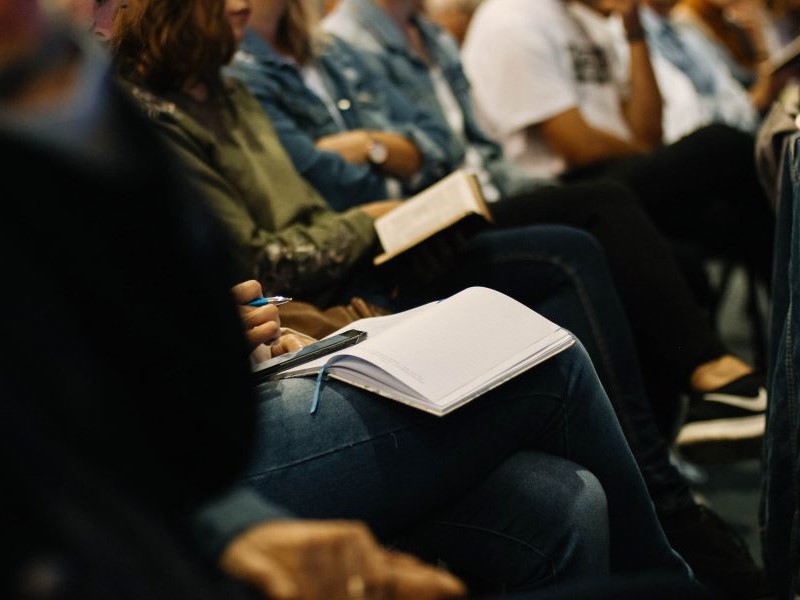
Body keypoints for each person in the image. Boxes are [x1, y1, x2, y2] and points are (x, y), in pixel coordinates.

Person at [110, 0, 765, 595]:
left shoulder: (227, 89)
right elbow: (273, 248)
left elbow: (410, 156)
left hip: (263, 357)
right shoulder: (149, 111)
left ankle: (686, 486)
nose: (246, 7)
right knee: (550, 340)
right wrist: (374, 209)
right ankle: (683, 554)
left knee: (573, 499)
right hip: (193, 434)